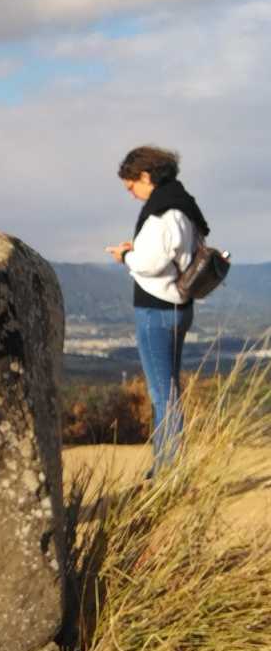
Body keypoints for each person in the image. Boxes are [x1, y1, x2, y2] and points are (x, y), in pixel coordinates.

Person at [106, 146, 209, 476]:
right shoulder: (182, 204)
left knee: (162, 393)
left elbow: (151, 263)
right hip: (178, 307)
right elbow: (174, 252)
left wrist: (125, 256)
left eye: (131, 186)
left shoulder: (163, 213)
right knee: (169, 388)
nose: (131, 194)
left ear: (145, 176)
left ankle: (167, 468)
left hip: (157, 310)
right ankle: (167, 462)